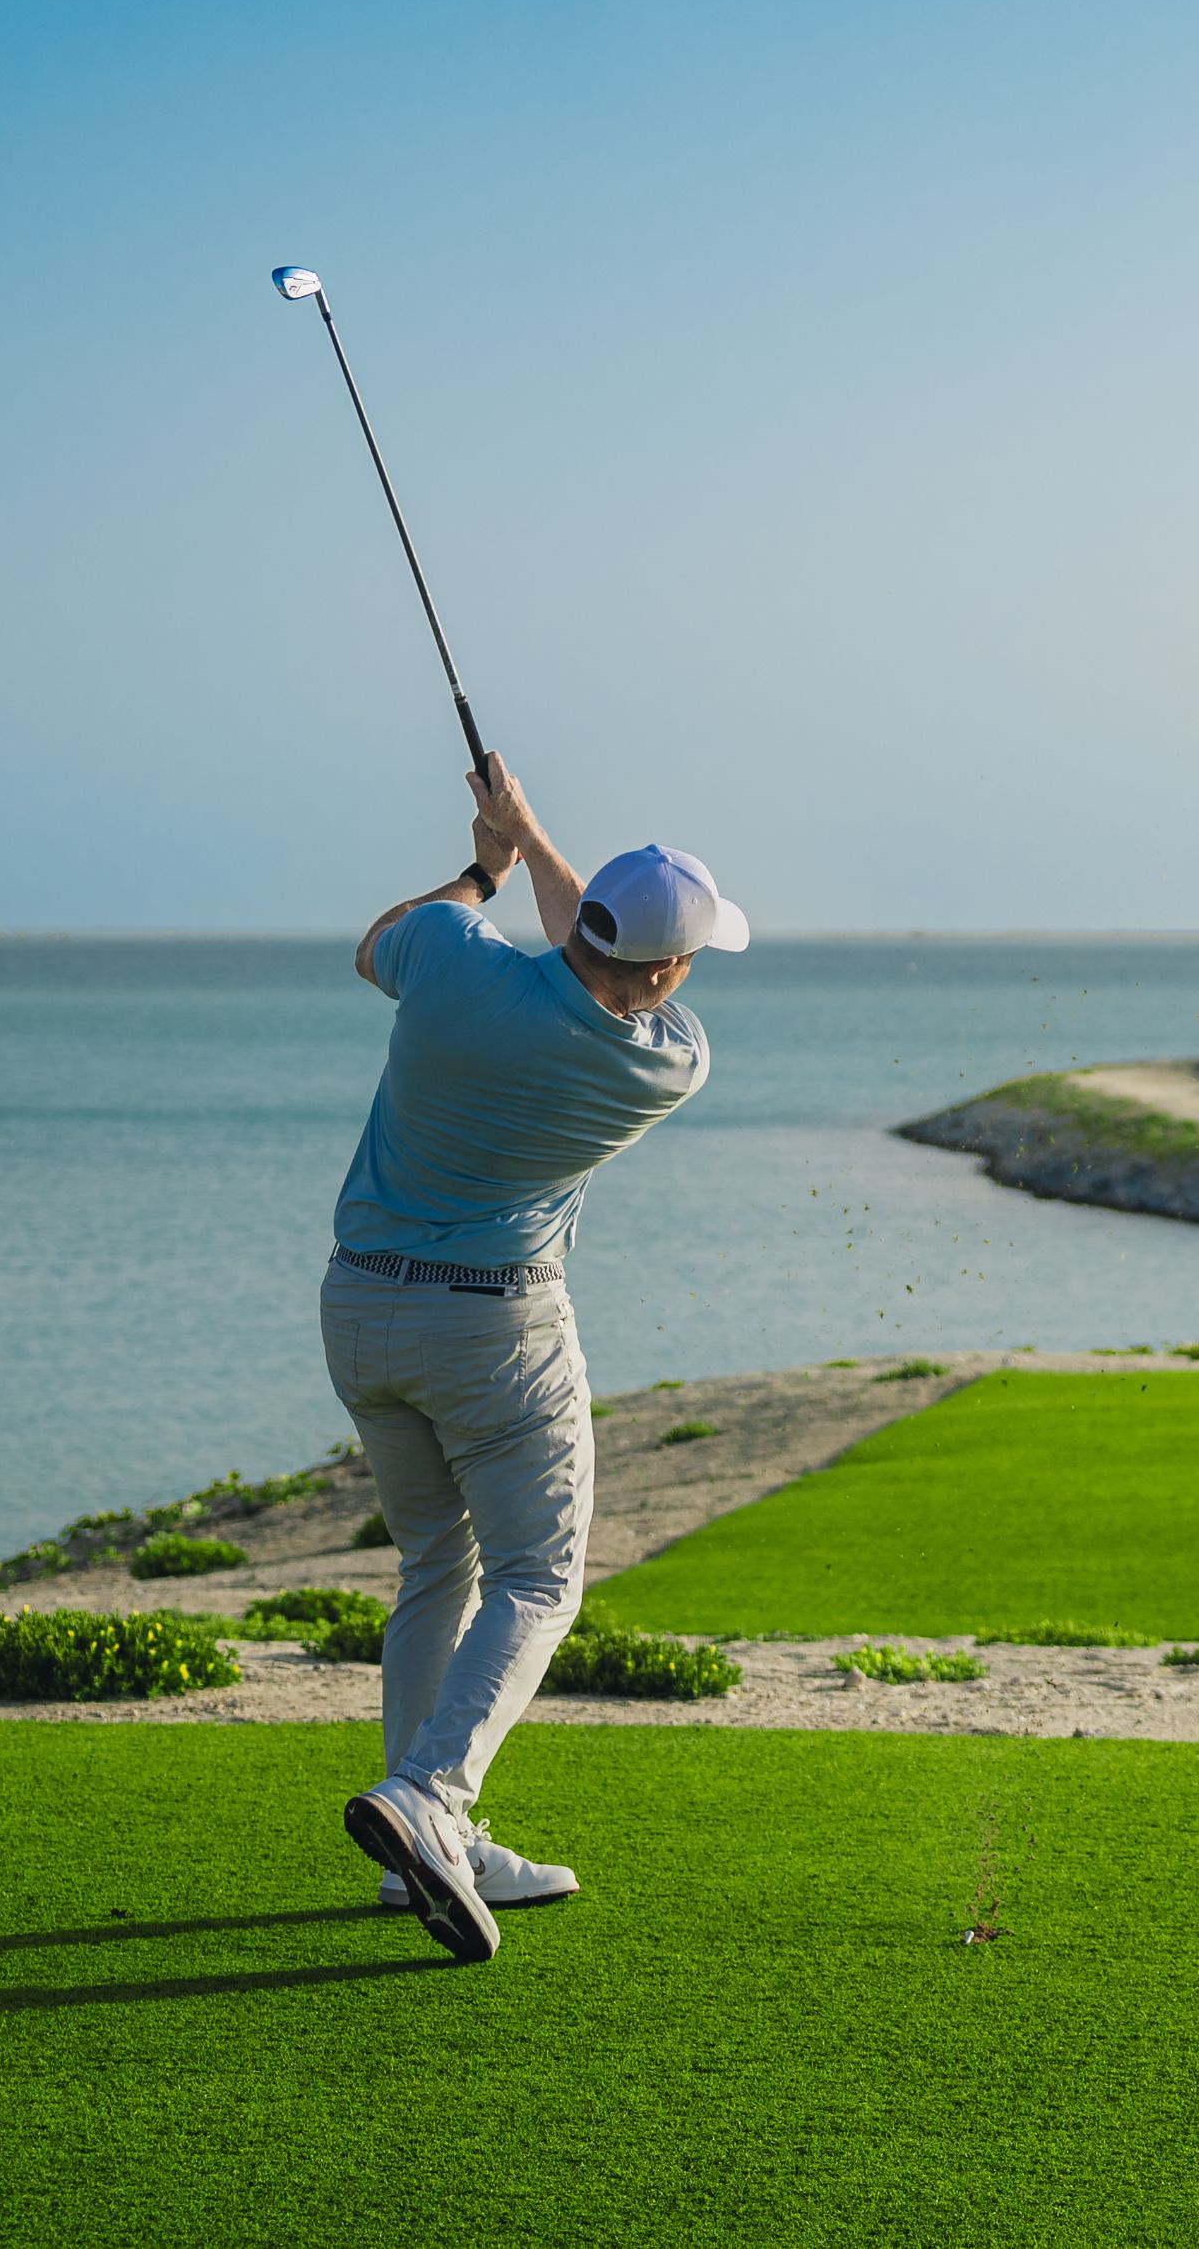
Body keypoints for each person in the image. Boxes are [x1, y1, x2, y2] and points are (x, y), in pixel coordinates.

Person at [324, 755, 747, 1962]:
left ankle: (423, 1853)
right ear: (669, 973)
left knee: (433, 1566)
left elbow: (385, 944)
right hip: (494, 1329)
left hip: (359, 1311)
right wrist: (535, 842)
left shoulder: (451, 961)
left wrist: (487, 862)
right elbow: (600, 962)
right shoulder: (663, 1058)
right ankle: (432, 1801)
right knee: (538, 1577)